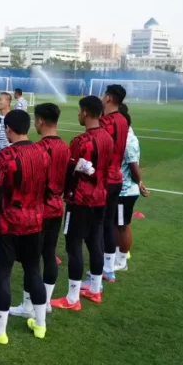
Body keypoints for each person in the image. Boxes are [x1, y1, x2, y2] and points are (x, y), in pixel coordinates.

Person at [0, 110, 51, 345]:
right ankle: (40, 325)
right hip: (35, 221)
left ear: (8, 129)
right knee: (33, 270)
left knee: (2, 275)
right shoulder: (43, 152)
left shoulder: (4, 157)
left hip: (8, 224)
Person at [51, 96, 114, 310]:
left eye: (79, 111)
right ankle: (95, 290)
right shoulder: (108, 138)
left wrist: (60, 190)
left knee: (74, 245)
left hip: (80, 200)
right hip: (100, 198)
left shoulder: (81, 142)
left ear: (85, 113)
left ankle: (72, 298)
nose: (78, 115)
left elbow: (71, 171)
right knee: (95, 243)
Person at [10, 103, 71, 317]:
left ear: (40, 121)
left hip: (39, 209)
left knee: (32, 260)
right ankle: (45, 303)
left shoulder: (39, 148)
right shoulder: (65, 146)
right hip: (57, 207)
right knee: (50, 253)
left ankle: (29, 306)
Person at [99, 85, 129, 282]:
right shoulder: (123, 121)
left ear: (108, 98)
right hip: (117, 177)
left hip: (102, 180)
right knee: (109, 224)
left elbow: (99, 150)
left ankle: (97, 275)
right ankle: (108, 268)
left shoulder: (105, 122)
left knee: (98, 227)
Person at [115, 104, 149, 272]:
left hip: (124, 191)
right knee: (117, 224)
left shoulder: (127, 140)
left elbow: (134, 167)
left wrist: (139, 183)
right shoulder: (124, 135)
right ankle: (116, 256)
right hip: (120, 189)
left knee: (122, 225)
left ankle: (121, 261)